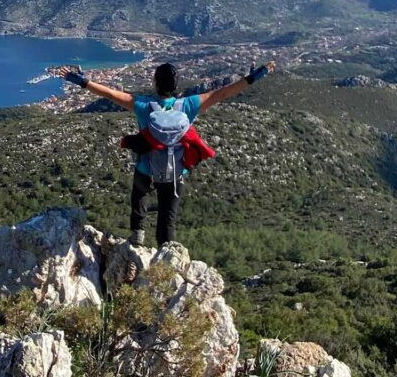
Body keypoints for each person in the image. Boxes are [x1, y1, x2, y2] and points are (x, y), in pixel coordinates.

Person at [57, 60, 277, 247]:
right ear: (176, 85)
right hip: (175, 171)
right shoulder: (189, 105)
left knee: (139, 195)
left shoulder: (144, 105)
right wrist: (254, 77)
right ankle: (166, 254)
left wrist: (81, 81)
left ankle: (137, 235)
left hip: (146, 168)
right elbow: (224, 92)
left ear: (155, 83)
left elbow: (109, 93)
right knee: (167, 219)